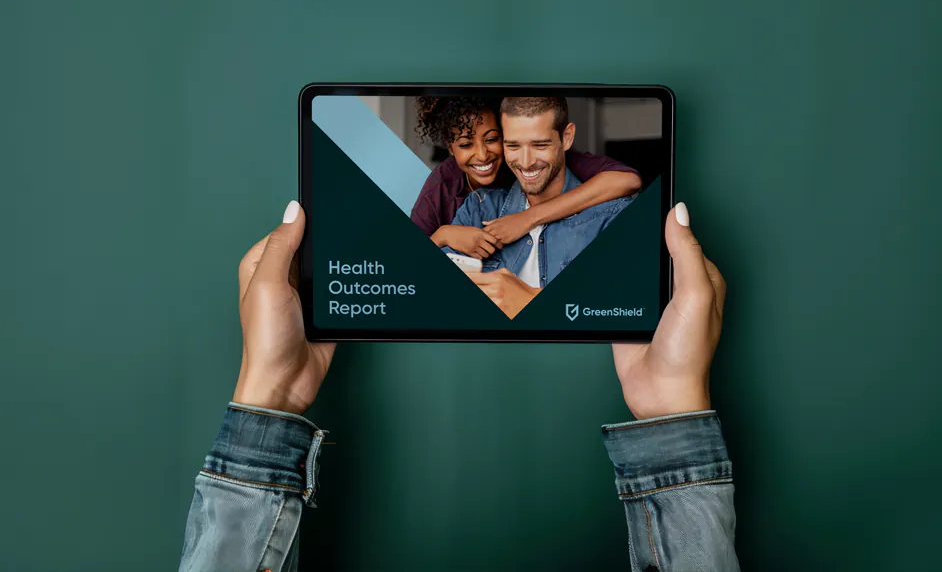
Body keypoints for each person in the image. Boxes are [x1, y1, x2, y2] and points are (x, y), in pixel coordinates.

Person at [179, 200, 738, 572]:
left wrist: (269, 391)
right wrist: (674, 407)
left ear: (567, 139)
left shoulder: (597, 206)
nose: (512, 159)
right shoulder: (476, 207)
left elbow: (622, 184)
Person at [445, 97, 634, 318]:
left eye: (540, 145)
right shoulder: (478, 208)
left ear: (567, 137)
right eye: (513, 145)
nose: (525, 162)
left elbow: (626, 311)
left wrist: (530, 299)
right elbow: (433, 297)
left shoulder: (611, 217)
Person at [410, 96, 642, 260]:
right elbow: (406, 267)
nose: (481, 155)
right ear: (451, 149)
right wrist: (443, 235)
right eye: (465, 145)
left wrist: (527, 218)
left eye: (492, 139)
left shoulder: (553, 159)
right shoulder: (446, 185)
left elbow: (628, 180)